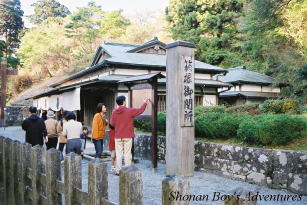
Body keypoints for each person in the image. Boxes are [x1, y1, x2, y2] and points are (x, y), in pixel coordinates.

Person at [110, 96, 150, 174]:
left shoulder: (114, 112)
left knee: (118, 154)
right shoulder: (129, 111)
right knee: (127, 153)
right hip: (127, 136)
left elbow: (112, 124)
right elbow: (140, 110)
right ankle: (127, 171)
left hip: (118, 136)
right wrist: (145, 103)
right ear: (124, 102)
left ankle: (118, 170)